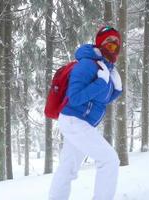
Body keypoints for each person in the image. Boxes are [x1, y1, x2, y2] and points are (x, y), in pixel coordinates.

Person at [49, 25, 123, 200]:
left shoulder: (105, 69)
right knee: (109, 160)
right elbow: (74, 98)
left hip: (81, 122)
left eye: (116, 44)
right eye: (108, 42)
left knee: (68, 168)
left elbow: (99, 100)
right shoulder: (87, 65)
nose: (112, 46)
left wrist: (116, 90)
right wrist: (101, 83)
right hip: (74, 120)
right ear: (99, 44)